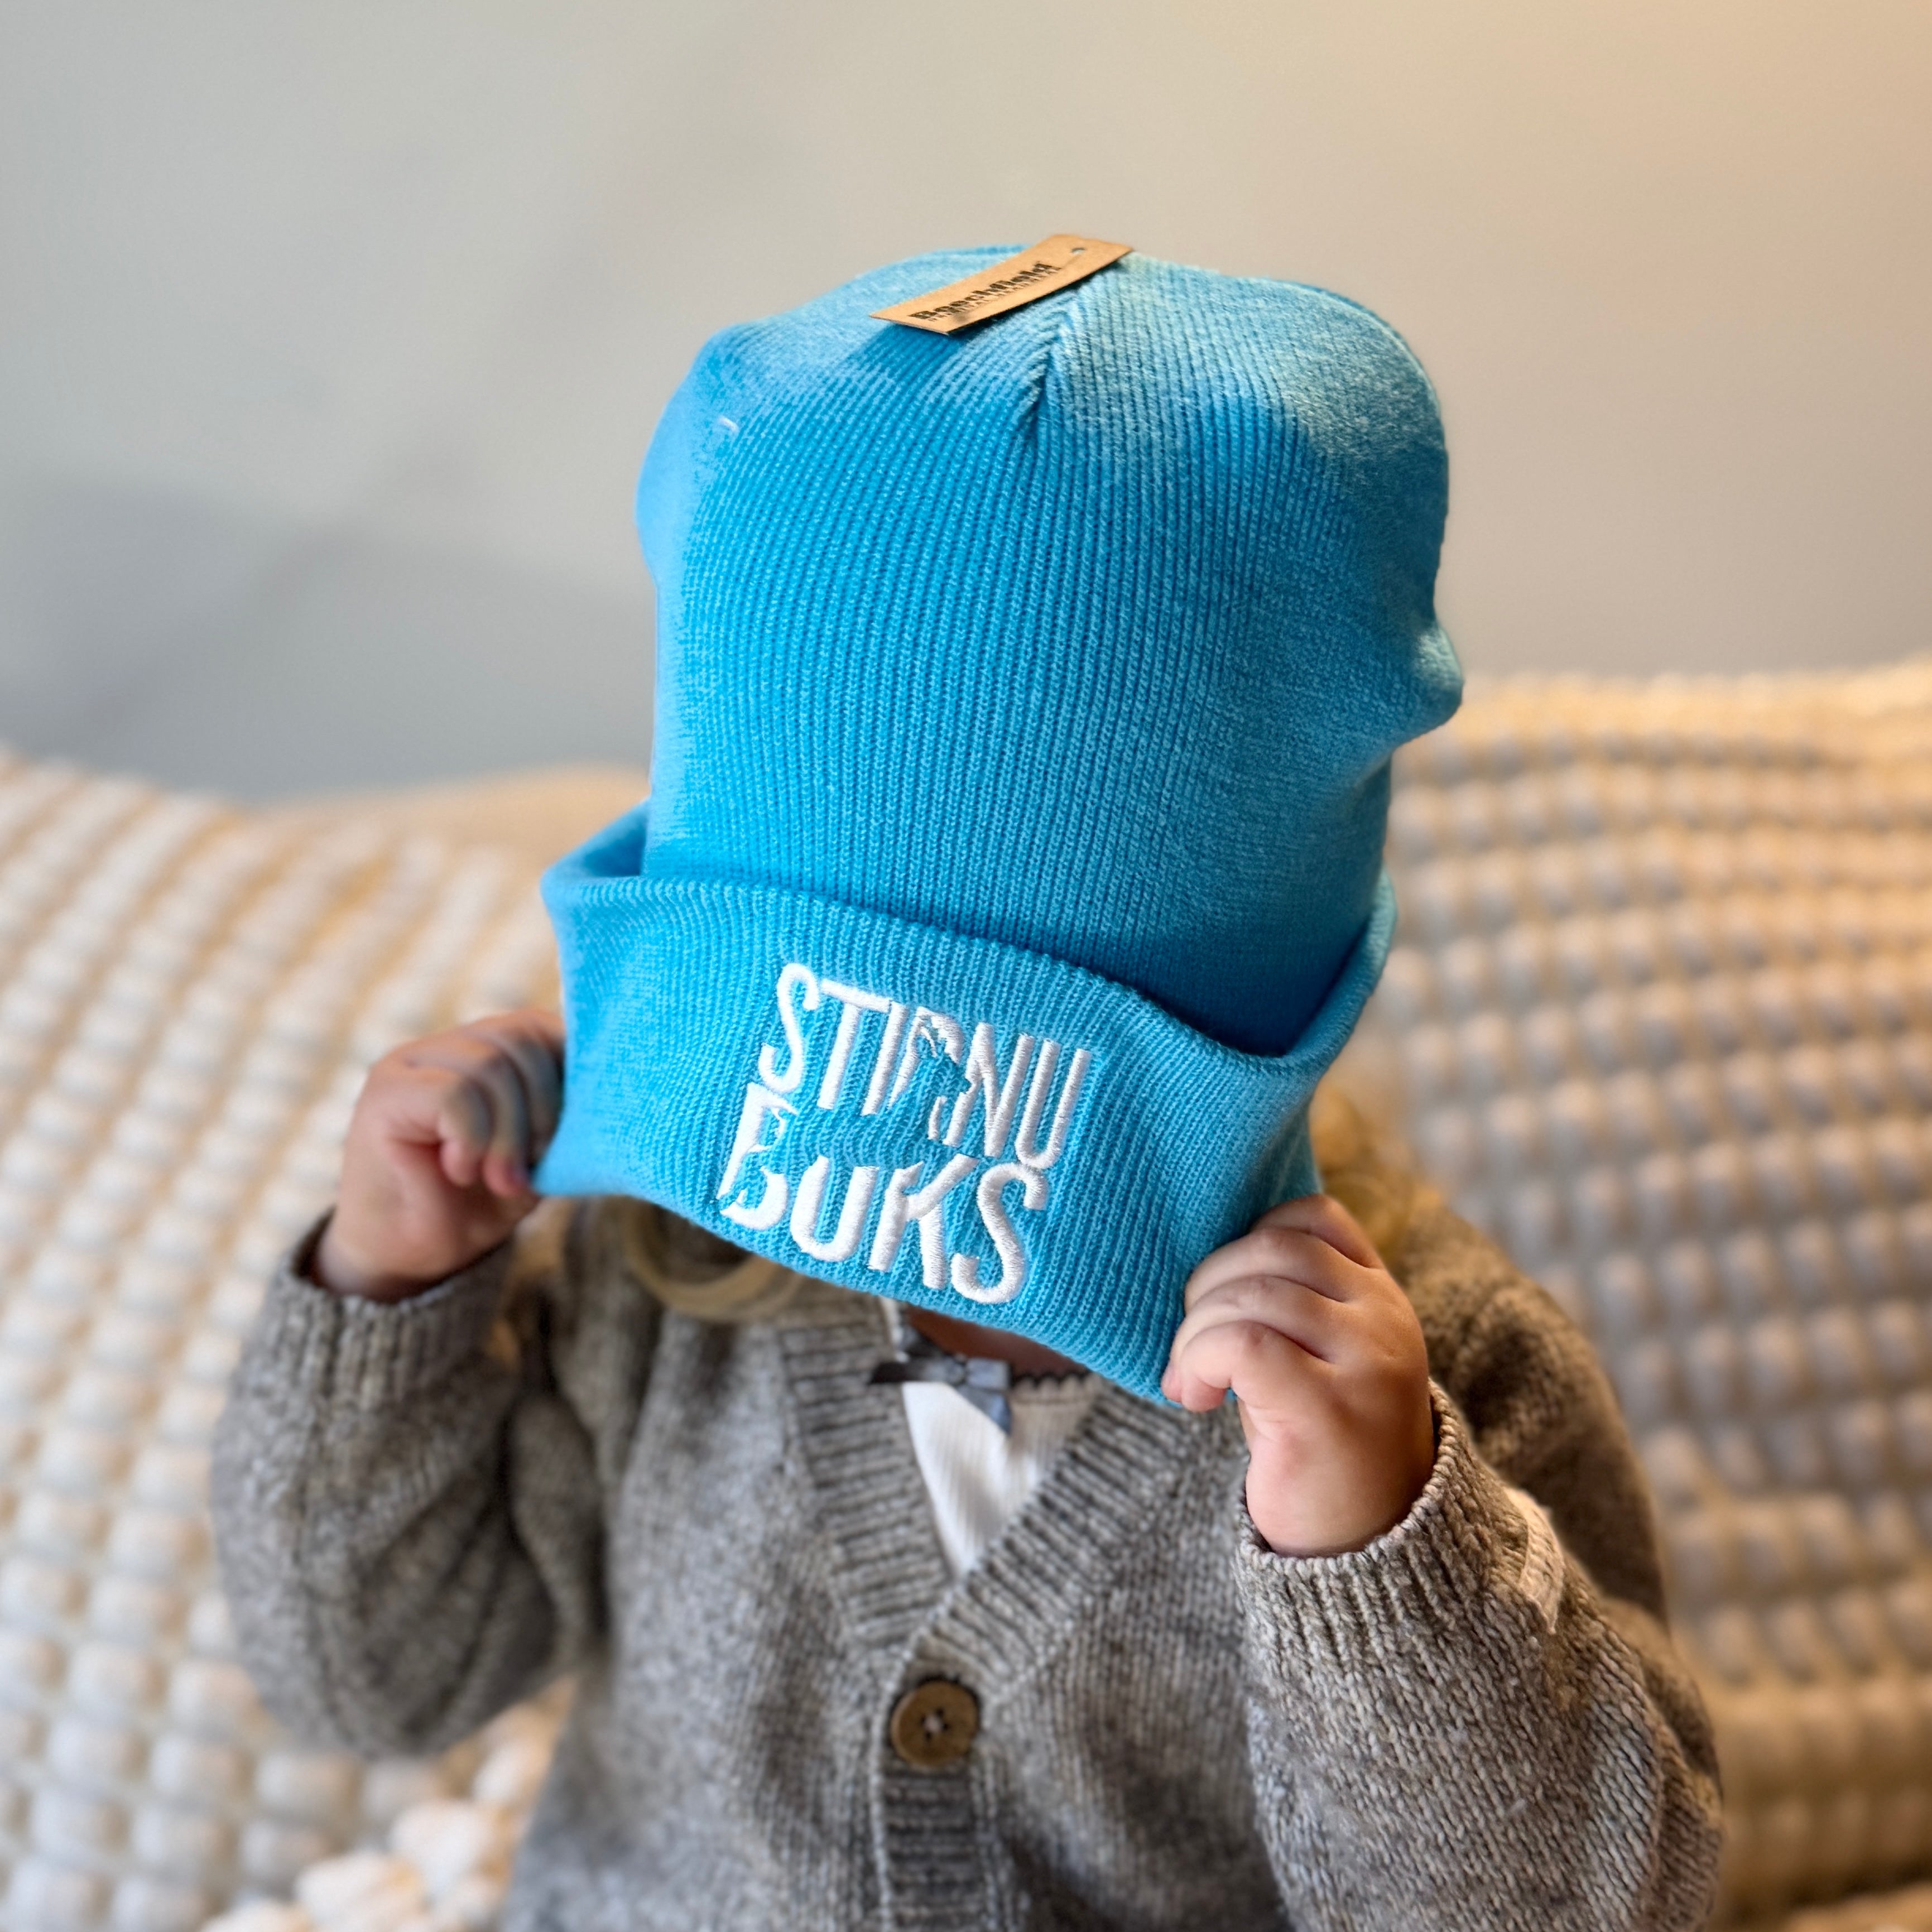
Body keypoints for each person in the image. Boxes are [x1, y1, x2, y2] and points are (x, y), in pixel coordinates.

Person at [212, 246, 1723, 1929]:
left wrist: (1373, 1552)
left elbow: (1593, 1911)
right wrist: (386, 1298)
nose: (898, 1103)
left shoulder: (1436, 1375)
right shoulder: (660, 1295)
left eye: (993, 1045)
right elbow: (370, 1683)